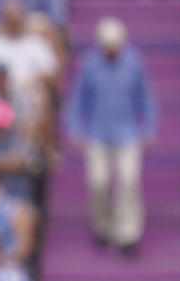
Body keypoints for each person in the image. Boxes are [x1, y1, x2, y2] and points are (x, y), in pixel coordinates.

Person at [66, 17, 157, 253]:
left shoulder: (134, 63)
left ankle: (128, 234)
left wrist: (148, 127)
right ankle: (104, 227)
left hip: (128, 133)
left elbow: (145, 96)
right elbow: (79, 99)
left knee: (129, 181)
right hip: (97, 132)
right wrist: (76, 128)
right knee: (98, 182)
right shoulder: (89, 64)